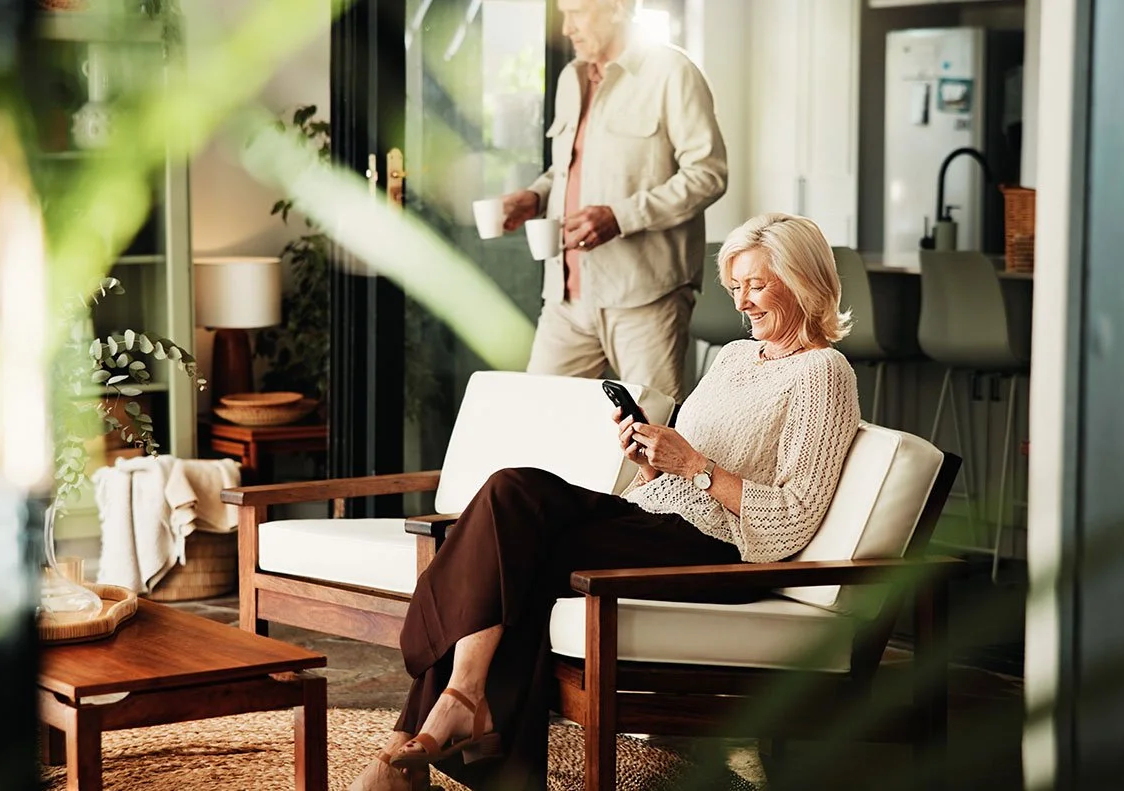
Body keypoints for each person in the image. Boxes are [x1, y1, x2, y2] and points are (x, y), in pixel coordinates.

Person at [348, 213, 861, 791]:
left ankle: (431, 727)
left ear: (802, 280)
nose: (742, 302)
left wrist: (693, 466)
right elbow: (680, 474)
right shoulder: (736, 357)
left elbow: (792, 520)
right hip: (655, 518)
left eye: (757, 285)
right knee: (509, 508)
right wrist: (651, 461)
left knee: (514, 509)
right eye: (735, 286)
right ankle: (456, 711)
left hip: (716, 551)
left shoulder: (824, 373)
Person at [502, 0, 728, 402]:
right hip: (566, 298)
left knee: (651, 427)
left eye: (577, 12)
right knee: (535, 418)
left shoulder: (672, 71)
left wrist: (620, 217)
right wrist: (535, 197)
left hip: (645, 298)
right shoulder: (570, 78)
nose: (567, 28)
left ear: (618, 7)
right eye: (563, 15)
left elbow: (708, 175)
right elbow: (568, 169)